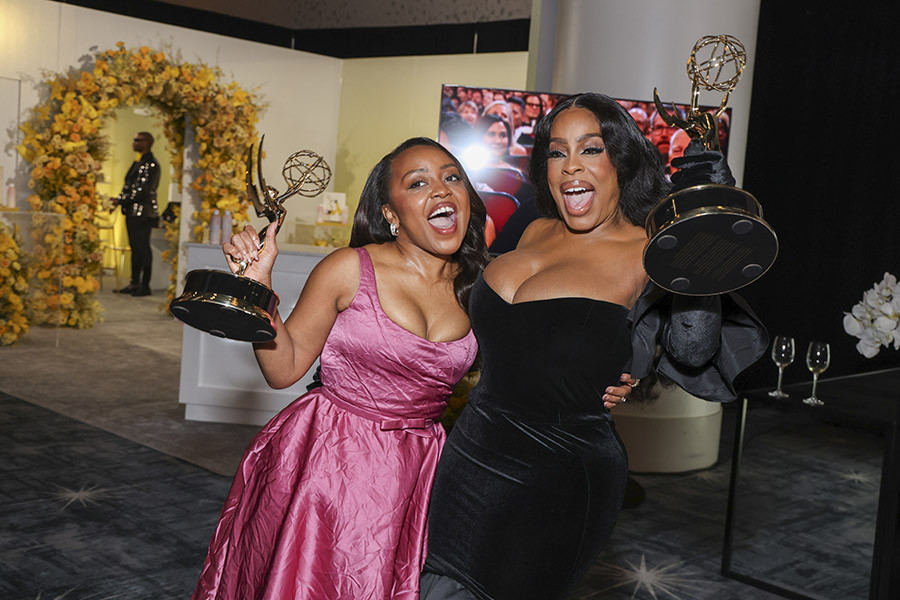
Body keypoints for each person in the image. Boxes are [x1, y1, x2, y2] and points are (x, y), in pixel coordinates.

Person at [420, 93, 767, 599]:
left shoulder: (650, 251)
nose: (570, 167)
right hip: (471, 453)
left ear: (621, 161)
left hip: (558, 472)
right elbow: (521, 339)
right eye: (557, 152)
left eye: (591, 149)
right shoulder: (536, 229)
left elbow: (693, 348)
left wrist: (702, 225)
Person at [192, 138, 492, 599]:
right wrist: (258, 288)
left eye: (452, 177)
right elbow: (284, 369)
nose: (441, 190)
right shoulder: (347, 268)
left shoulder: (482, 287)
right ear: (391, 214)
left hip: (418, 472)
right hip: (327, 461)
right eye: (418, 183)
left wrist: (608, 383)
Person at [114, 131, 159, 296]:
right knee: (135, 248)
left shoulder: (151, 164)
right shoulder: (139, 162)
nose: (134, 143)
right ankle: (134, 283)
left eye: (137, 140)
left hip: (144, 214)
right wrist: (120, 200)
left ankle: (144, 285)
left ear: (146, 142)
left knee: (143, 248)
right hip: (133, 212)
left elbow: (143, 191)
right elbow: (130, 186)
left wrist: (121, 200)